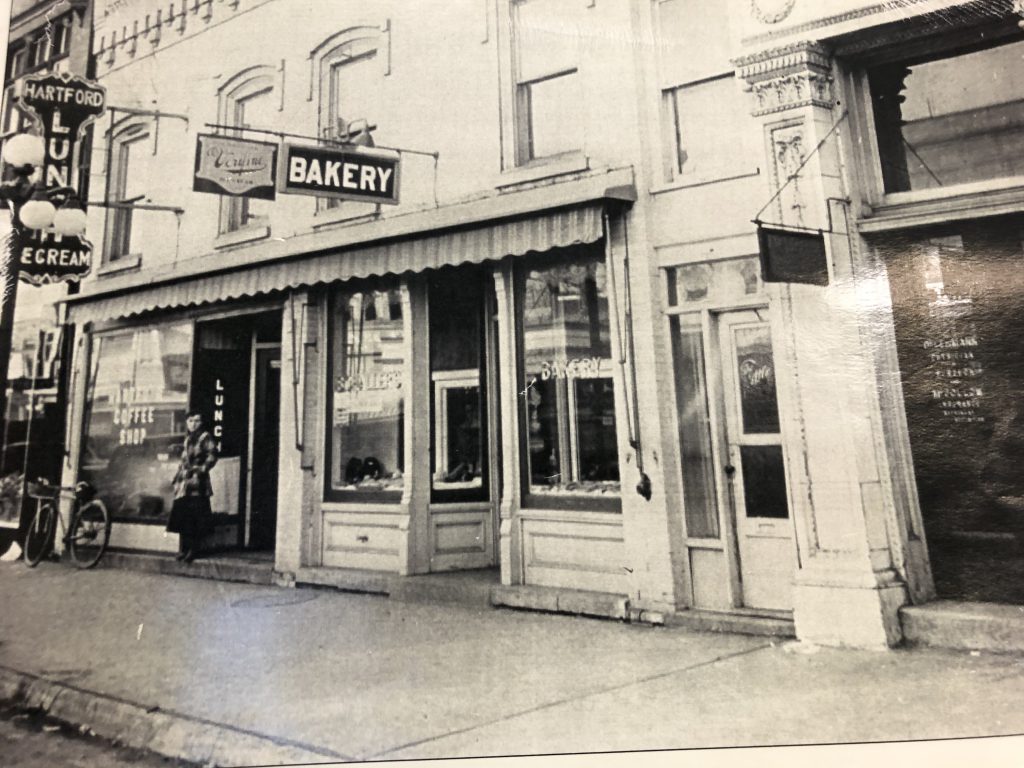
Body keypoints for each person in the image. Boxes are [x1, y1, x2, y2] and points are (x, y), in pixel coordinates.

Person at [166, 410, 218, 563]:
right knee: (184, 516)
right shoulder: (188, 439)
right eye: (190, 421)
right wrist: (176, 478)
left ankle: (194, 550)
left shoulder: (205, 437)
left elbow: (213, 454)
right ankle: (185, 548)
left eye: (196, 421)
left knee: (196, 517)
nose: (193, 424)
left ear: (201, 422)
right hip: (185, 483)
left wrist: (202, 469)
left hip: (197, 483)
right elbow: (183, 461)